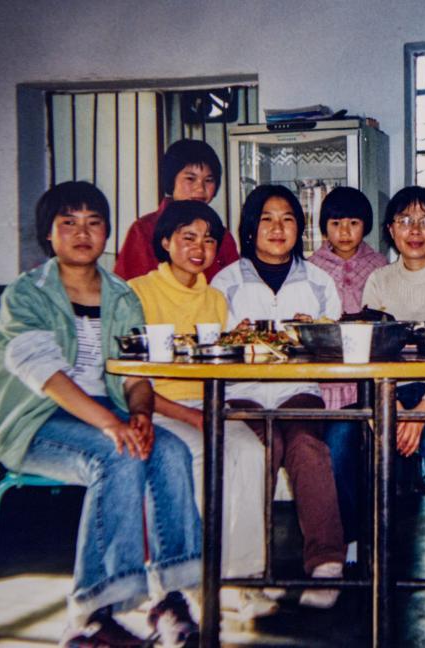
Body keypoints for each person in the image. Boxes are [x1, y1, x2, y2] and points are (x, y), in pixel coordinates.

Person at [0, 181, 201, 647]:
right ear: (48, 234)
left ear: (106, 232)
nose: (82, 233)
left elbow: (135, 374)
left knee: (172, 451)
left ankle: (171, 598)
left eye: (93, 222)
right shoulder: (26, 294)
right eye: (69, 222)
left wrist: (140, 414)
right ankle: (91, 616)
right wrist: (112, 425)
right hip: (35, 421)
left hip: (107, 413)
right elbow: (45, 374)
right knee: (117, 454)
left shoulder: (122, 295)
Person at [327, 186, 425, 580]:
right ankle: (354, 540)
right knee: (339, 434)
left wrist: (422, 412)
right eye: (404, 220)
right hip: (392, 389)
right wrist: (393, 404)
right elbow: (372, 350)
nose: (415, 230)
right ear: (390, 230)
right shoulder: (379, 279)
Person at [127, 200, 276, 621]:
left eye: (209, 240)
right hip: (156, 408)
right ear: (165, 242)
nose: (200, 248)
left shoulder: (214, 299)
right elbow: (130, 379)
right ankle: (192, 581)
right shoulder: (137, 292)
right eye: (188, 237)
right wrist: (191, 416)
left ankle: (241, 578)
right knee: (200, 457)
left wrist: (242, 345)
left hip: (209, 405)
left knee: (251, 453)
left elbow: (219, 367)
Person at [210, 184, 346, 609]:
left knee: (306, 446)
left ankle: (327, 564)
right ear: (251, 228)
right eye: (266, 218)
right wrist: (235, 339)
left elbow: (335, 345)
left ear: (299, 228)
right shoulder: (225, 281)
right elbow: (213, 346)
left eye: (287, 219)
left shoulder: (318, 280)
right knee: (260, 450)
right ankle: (251, 569)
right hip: (241, 392)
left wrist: (314, 334)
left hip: (298, 388)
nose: (277, 227)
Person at [307, 186, 387, 409]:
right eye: (335, 223)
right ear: (324, 227)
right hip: (327, 367)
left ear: (365, 225)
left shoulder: (379, 265)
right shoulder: (313, 266)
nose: (344, 232)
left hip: (368, 366)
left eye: (353, 223)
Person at [114, 139, 240, 281]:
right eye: (190, 179)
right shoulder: (144, 230)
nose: (200, 189)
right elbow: (127, 289)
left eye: (208, 180)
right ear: (171, 180)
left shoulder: (222, 235)